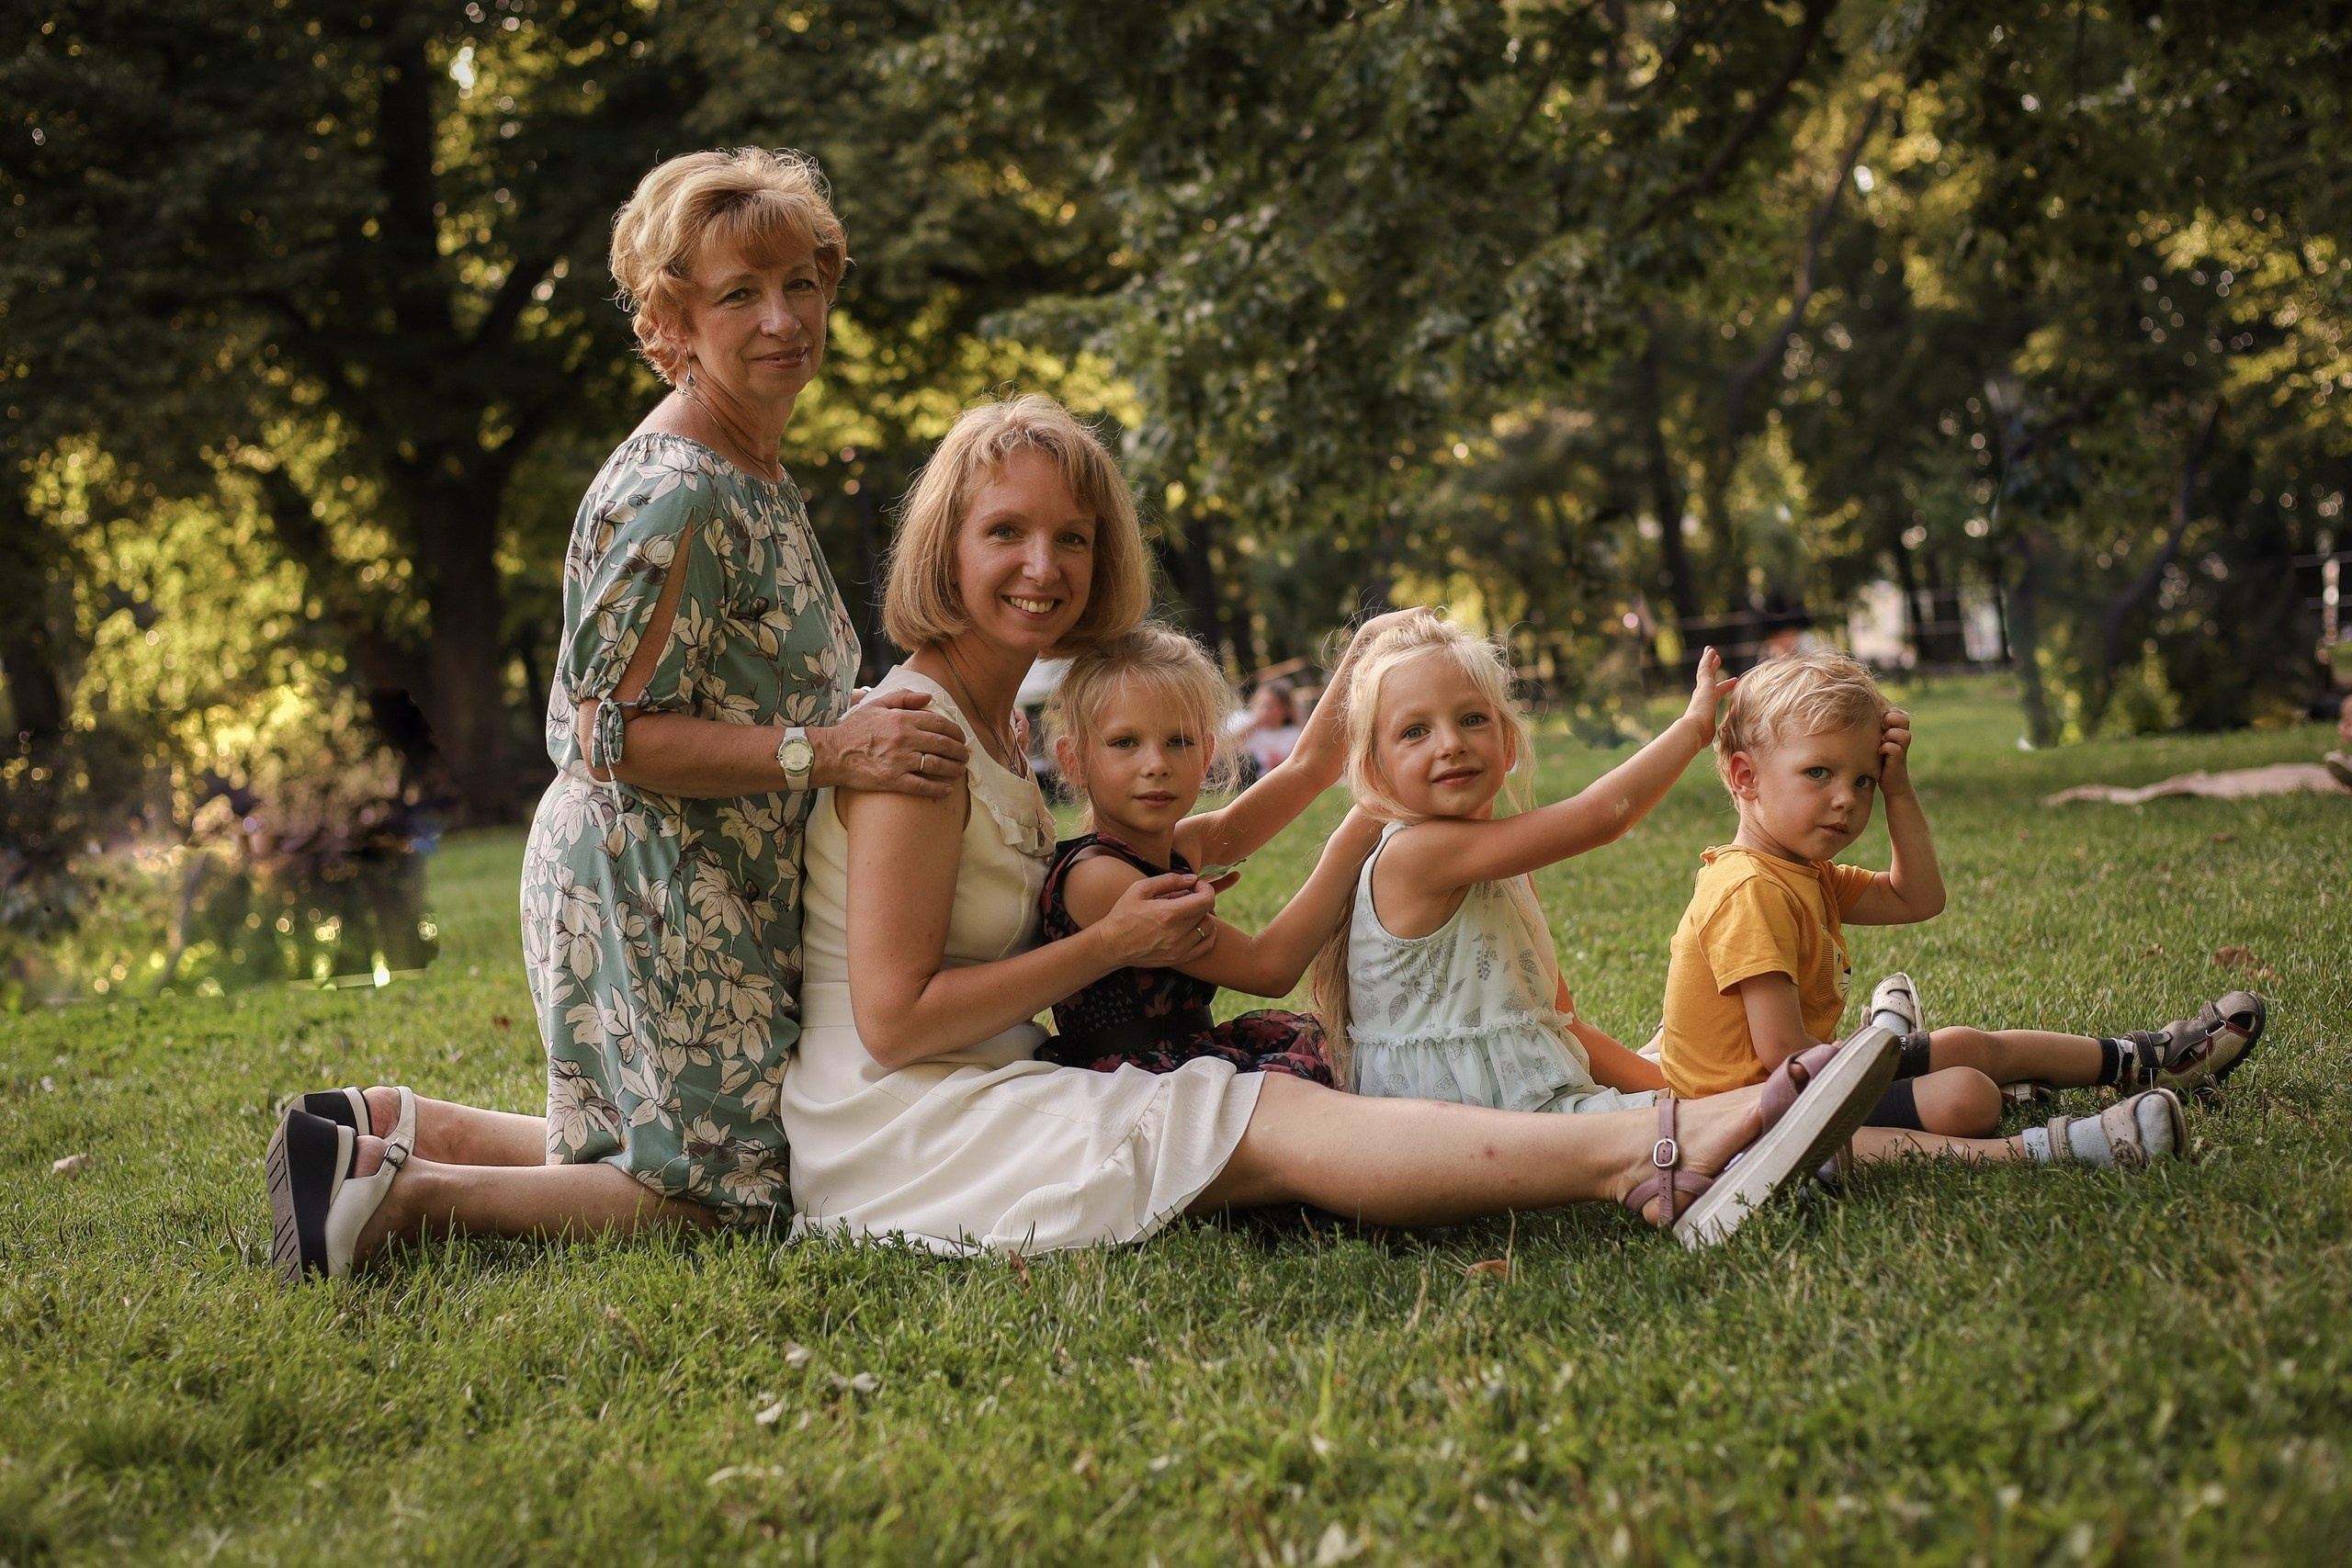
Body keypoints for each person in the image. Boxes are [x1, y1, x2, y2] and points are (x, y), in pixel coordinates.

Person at [777, 393, 1894, 1255]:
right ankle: (1650, 1150)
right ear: (946, 547)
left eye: (1072, 538)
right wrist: (1108, 944)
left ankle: (1678, 1124)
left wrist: (1348, 692)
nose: (1044, 566)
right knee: (1247, 1110)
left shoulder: (997, 726)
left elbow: (1268, 798)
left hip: (998, 1076)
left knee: (1262, 1095)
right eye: (1005, 532)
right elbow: (895, 1023)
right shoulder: (914, 740)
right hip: (909, 1125)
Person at [264, 149, 972, 1280]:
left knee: (701, 1157)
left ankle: (380, 1127)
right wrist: (834, 751)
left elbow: (746, 681)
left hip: (706, 870)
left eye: (801, 283)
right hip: (650, 872)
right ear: (672, 322)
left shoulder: (754, 466)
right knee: (721, 1198)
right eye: (740, 294)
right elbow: (609, 735)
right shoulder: (679, 490)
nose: (783, 318)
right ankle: (392, 1202)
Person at [1655, 649, 2266, 1168]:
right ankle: (2060, 1147)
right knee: (1965, 1096)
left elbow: (1917, 897)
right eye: (1819, 772)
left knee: (1969, 1045)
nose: (1847, 799)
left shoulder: (1802, 872)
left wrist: (1898, 789)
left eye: (1863, 779)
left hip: (1805, 1082)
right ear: (1746, 777)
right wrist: (1891, 1062)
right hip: (1743, 1118)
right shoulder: (1749, 889)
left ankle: (2142, 1059)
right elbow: (1784, 1054)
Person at [1306, 615, 1720, 1118]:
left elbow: (1564, 1027)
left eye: (1472, 719)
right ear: (1376, 772)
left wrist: (1679, 1088)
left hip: (1529, 1108)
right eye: (1415, 731)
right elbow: (1603, 816)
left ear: (1508, 744)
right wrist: (1692, 730)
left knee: (1707, 1076)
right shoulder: (1414, 855)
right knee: (1731, 1110)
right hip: (1458, 1125)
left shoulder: (1506, 865)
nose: (1450, 743)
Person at [1036, 623, 1391, 1084]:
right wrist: (1355, 836)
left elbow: (1308, 768)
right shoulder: (1098, 878)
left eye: (1178, 741)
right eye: (1125, 742)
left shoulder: (1181, 844)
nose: (1156, 765)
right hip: (1143, 1087)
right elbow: (1268, 968)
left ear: (1206, 755)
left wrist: (1364, 647)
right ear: (1074, 760)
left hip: (1194, 1057)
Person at [1230, 682, 1304, 784]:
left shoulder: (1294, 734)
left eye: (1269, 706)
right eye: (1260, 704)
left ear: (1285, 710)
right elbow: (1222, 751)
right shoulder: (1240, 720)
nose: (1263, 711)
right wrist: (1255, 724)